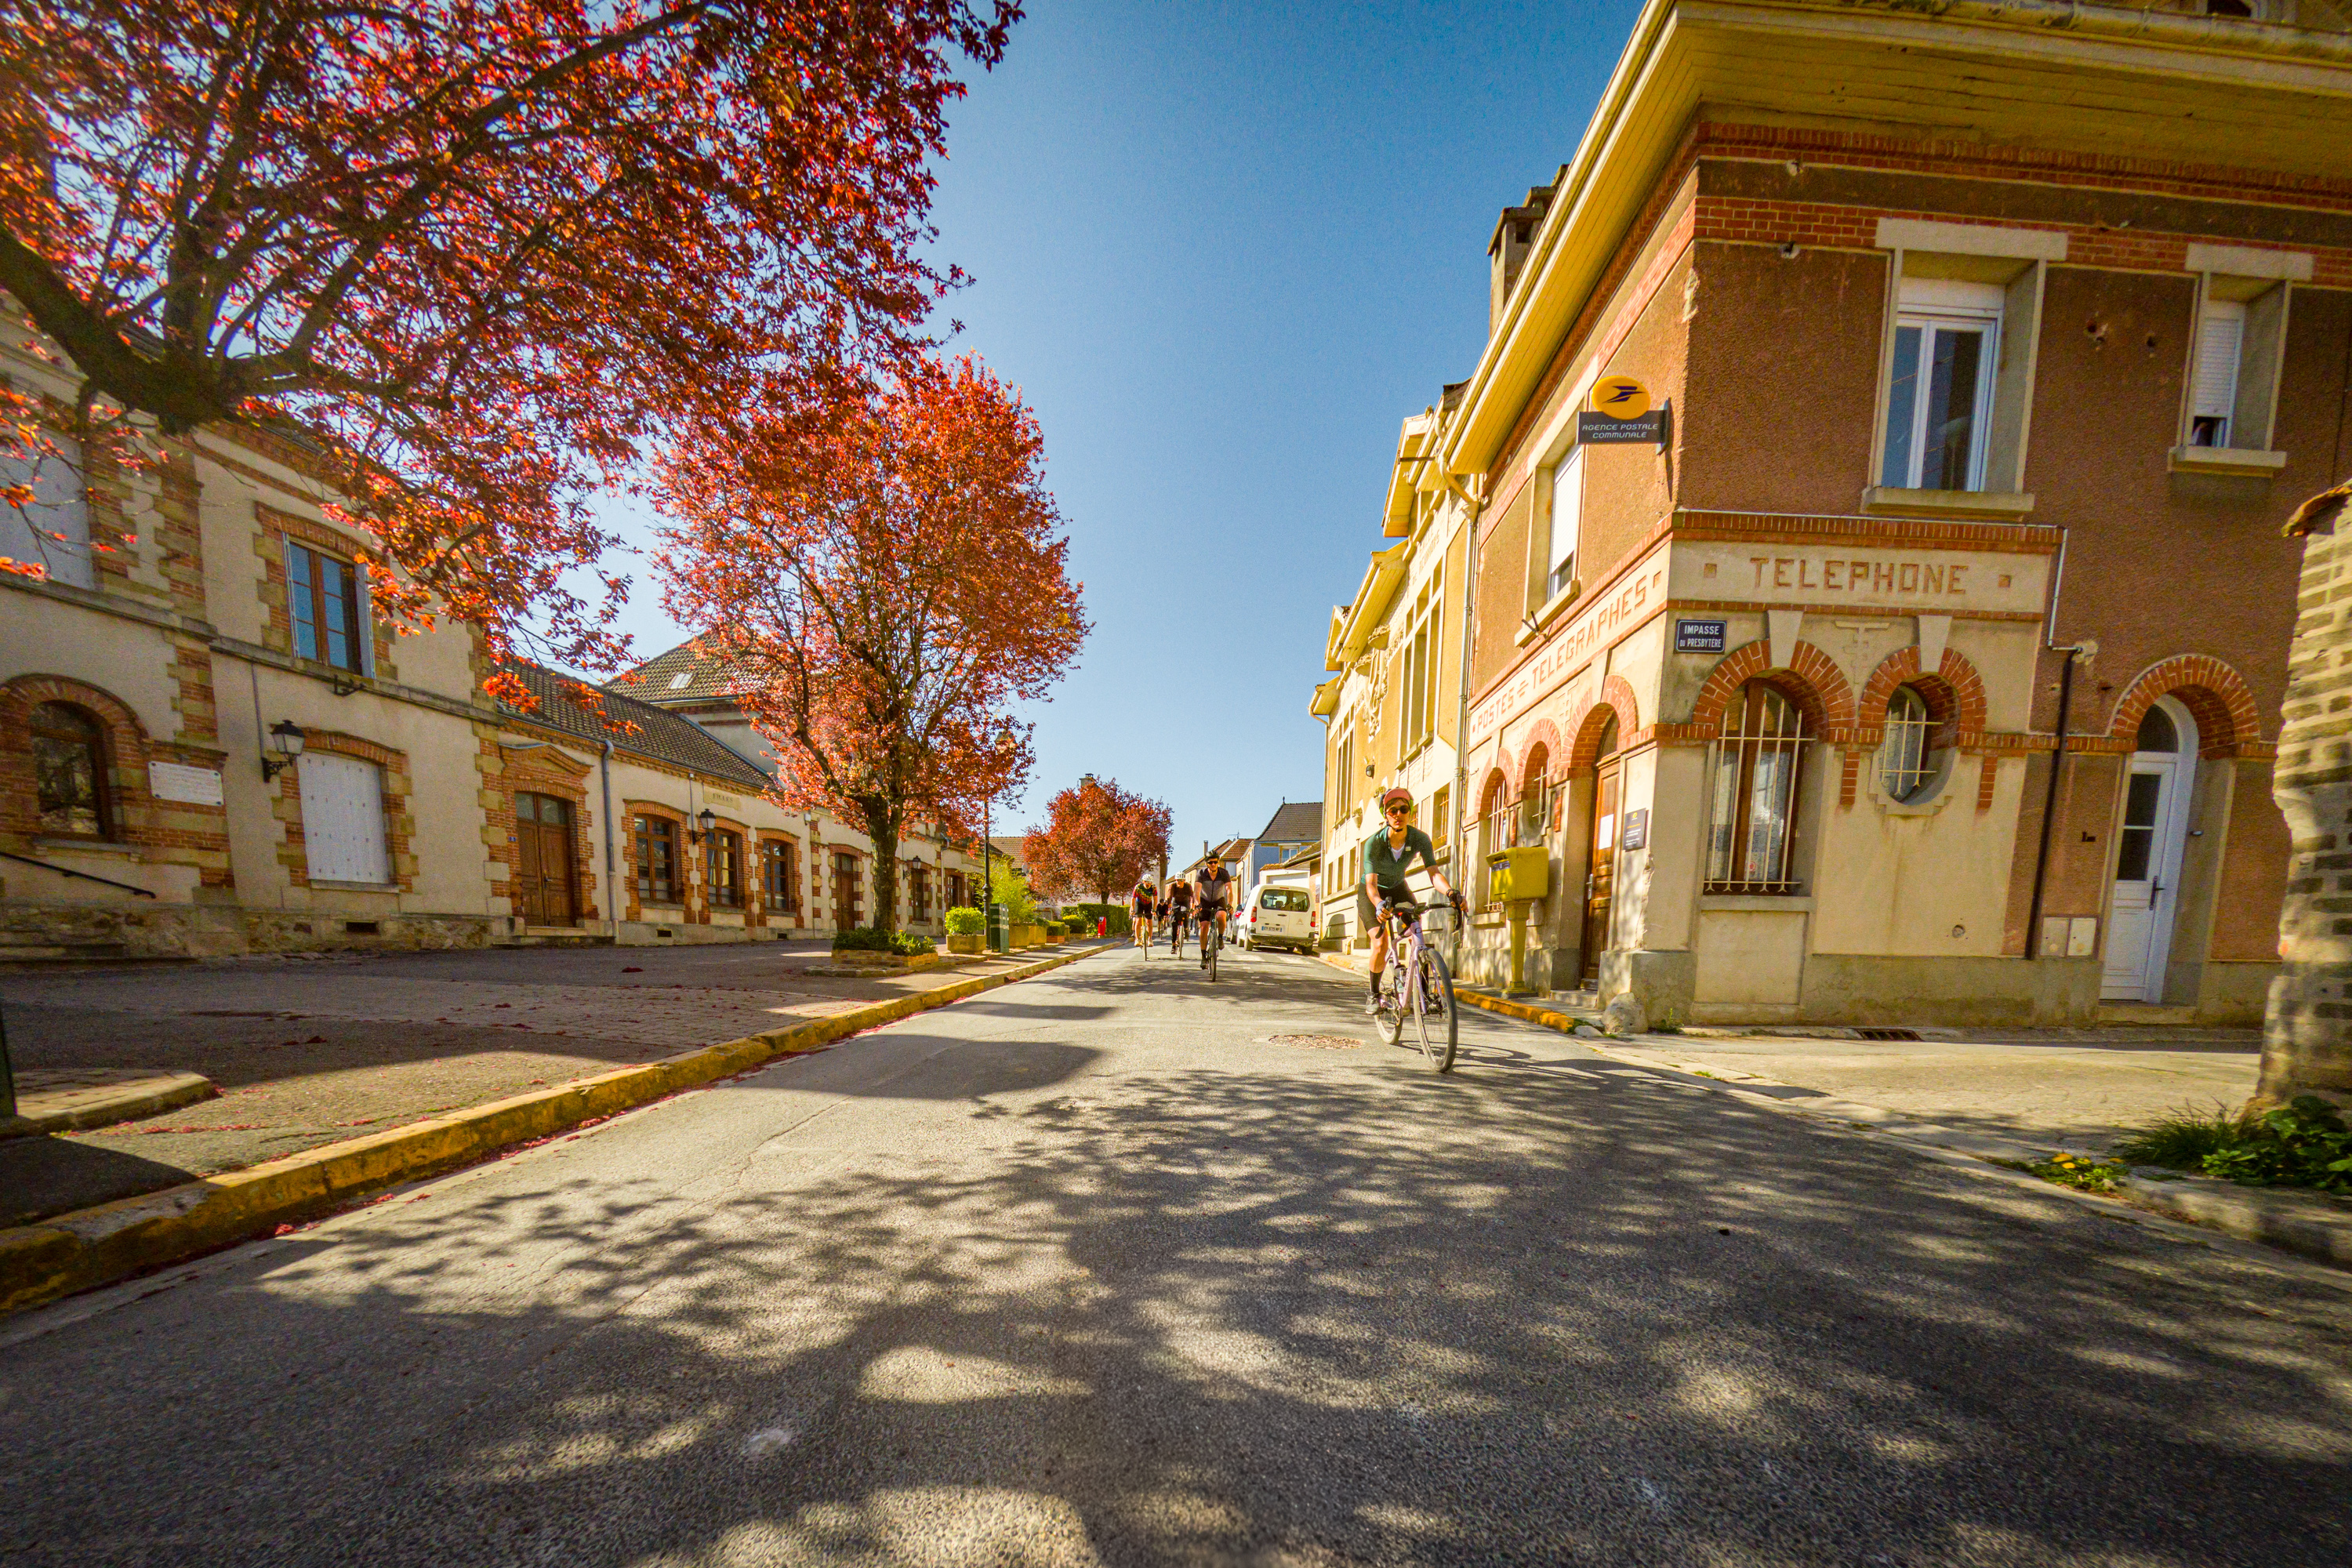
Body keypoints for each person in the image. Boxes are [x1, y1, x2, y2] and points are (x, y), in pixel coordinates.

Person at [1360, 786, 1461, 1014]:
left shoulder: (1419, 839)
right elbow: (1371, 885)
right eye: (1392, 810)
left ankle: (1424, 994)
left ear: (1410, 812)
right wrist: (1378, 905)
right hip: (1372, 893)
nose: (1398, 814)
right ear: (1385, 814)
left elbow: (1434, 873)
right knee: (1380, 943)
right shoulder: (1374, 843)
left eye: (1403, 809)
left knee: (1417, 932)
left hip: (1398, 888)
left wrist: (1450, 893)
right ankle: (1374, 995)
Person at [1192, 855, 1235, 968]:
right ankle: (1203, 957)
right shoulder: (1201, 873)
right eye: (1210, 862)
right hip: (1204, 901)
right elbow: (1197, 891)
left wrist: (1230, 904)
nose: (1213, 864)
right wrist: (1197, 904)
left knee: (1221, 916)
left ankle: (1220, 937)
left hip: (1218, 900)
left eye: (1215, 862)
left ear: (1218, 862)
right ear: (1206, 863)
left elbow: (1229, 890)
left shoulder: (1223, 873)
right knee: (1204, 927)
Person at [1165, 875, 1193, 958]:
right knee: (1174, 924)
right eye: (1178, 880)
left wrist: (1192, 907)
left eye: (1181, 881)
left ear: (1184, 881)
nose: (1179, 882)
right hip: (1175, 902)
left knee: (1185, 913)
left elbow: (1191, 897)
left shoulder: (1188, 886)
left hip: (1185, 902)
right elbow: (1169, 897)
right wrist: (1170, 908)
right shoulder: (1173, 886)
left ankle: (1186, 929)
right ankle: (1173, 946)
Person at [1131, 880, 1157, 949]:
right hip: (1139, 903)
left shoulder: (1153, 887)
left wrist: (1154, 909)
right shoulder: (1138, 887)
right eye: (1146, 882)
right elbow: (1133, 899)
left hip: (1148, 904)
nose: (1148, 884)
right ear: (1143, 882)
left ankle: (1150, 939)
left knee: (1149, 922)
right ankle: (1137, 939)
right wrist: (1132, 909)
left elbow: (1155, 899)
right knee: (1138, 920)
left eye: (1150, 882)